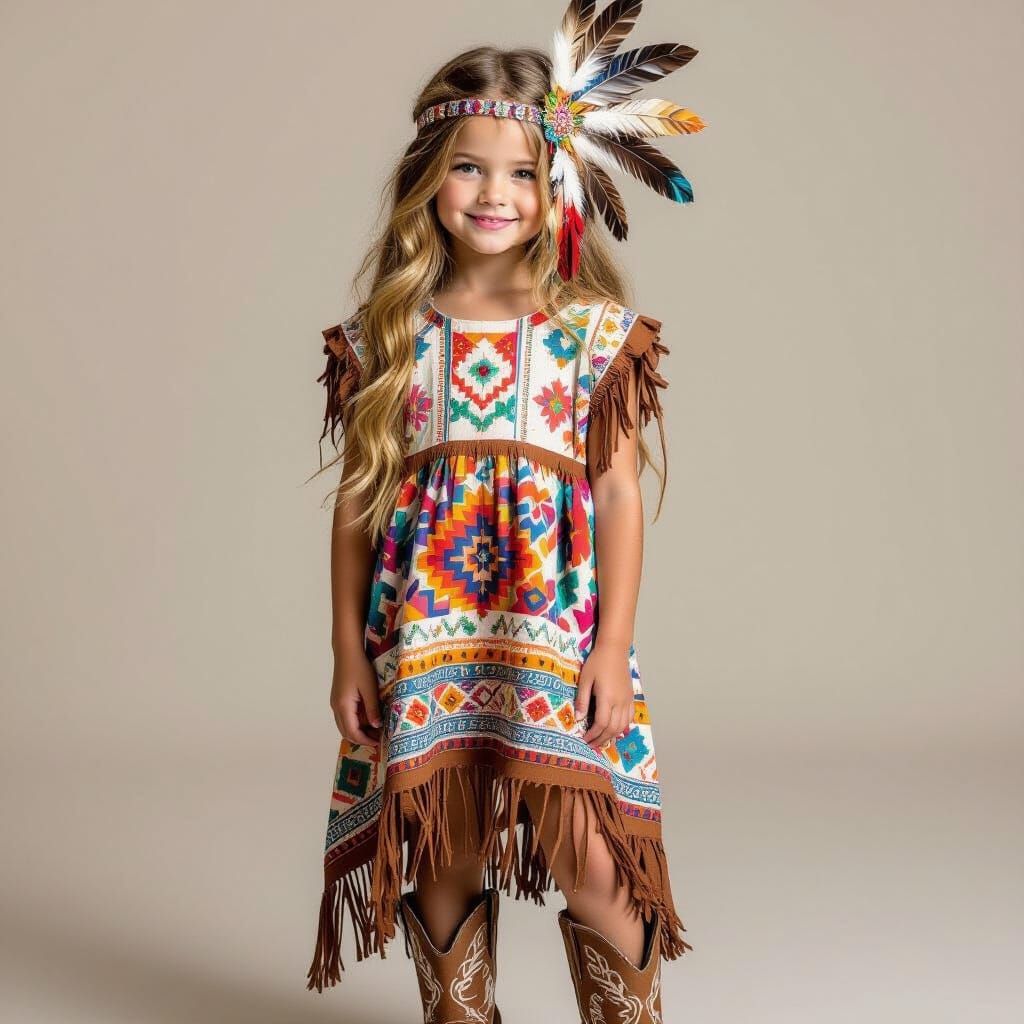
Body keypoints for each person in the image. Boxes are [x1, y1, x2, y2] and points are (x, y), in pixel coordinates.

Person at [305, 4, 706, 1021]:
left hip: (553, 637)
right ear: (428, 176)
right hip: (426, 639)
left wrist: (611, 647)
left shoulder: (587, 334)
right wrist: (350, 653)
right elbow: (360, 503)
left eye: (524, 171)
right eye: (470, 167)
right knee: (440, 857)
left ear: (561, 184)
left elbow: (616, 494)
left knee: (595, 864)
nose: (495, 193)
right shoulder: (387, 337)